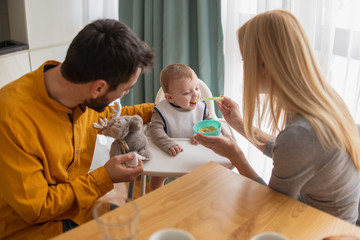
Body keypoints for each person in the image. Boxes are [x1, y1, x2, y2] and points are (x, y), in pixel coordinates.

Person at [195, 10, 360, 224]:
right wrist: (240, 124)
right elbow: (292, 154)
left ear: (264, 64)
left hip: (322, 228)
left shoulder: (301, 133)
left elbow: (274, 207)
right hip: (336, 216)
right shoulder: (324, 98)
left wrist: (235, 155)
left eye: (246, 60)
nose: (245, 69)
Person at [0, 19, 155, 239]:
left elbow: (117, 117)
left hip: (78, 211)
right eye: (125, 89)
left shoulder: (84, 96)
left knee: (143, 228)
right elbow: (37, 209)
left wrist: (163, 109)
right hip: (32, 229)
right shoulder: (11, 118)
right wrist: (104, 177)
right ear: (99, 88)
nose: (126, 94)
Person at [149, 63, 211, 190]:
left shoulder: (201, 107)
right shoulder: (161, 111)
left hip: (196, 152)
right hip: (170, 152)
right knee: (157, 175)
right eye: (187, 92)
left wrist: (202, 134)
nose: (195, 95)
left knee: (205, 174)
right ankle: (155, 196)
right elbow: (155, 130)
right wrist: (167, 144)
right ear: (170, 98)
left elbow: (209, 123)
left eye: (197, 88)